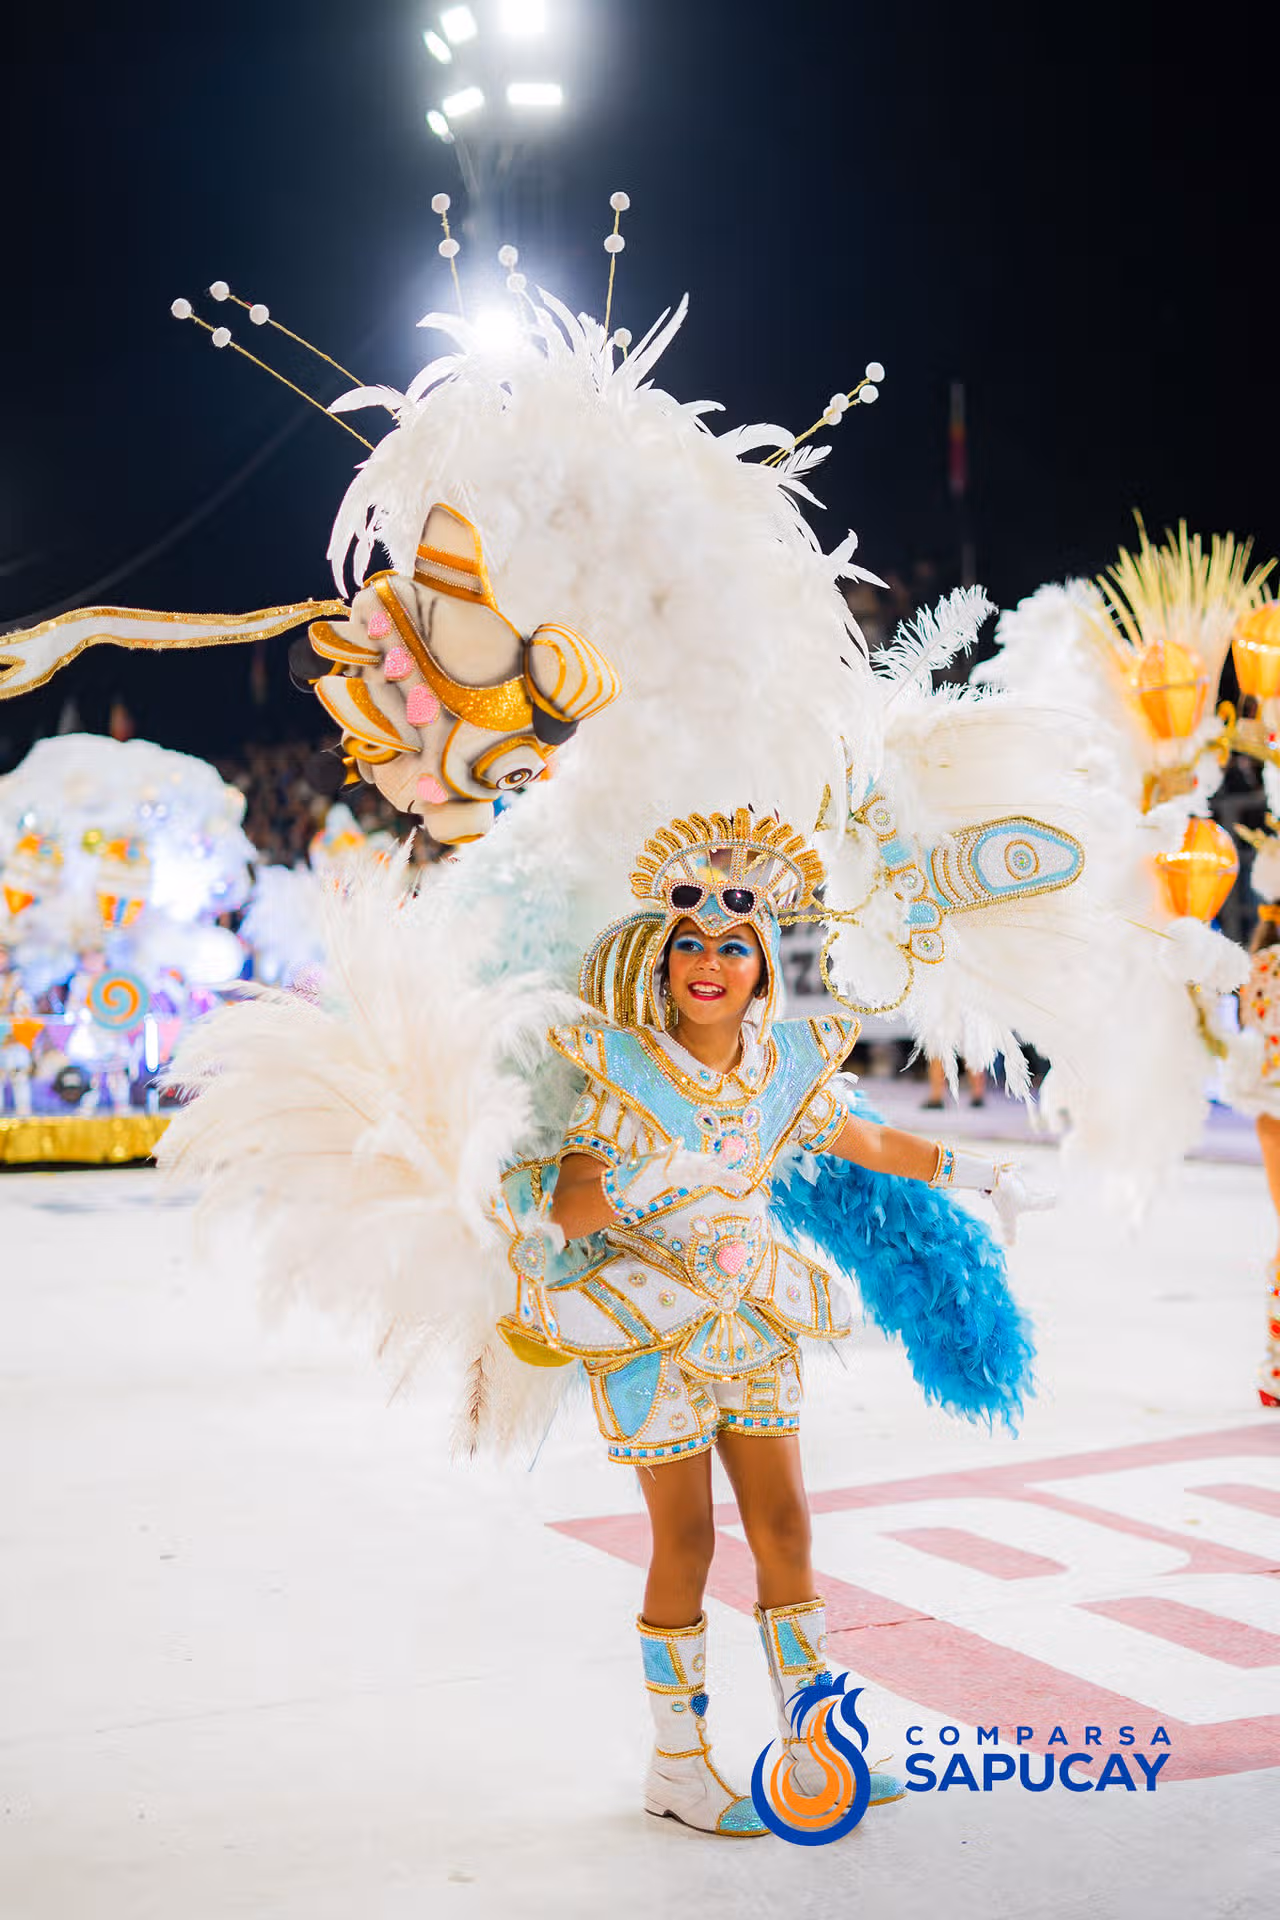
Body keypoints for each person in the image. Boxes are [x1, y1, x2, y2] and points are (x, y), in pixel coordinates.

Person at [493, 808, 1045, 1836]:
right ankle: (677, 1766)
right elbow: (563, 1213)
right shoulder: (620, 1070)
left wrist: (984, 1172)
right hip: (649, 1333)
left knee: (786, 1527)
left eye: (733, 947)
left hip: (752, 1325)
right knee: (689, 1541)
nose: (710, 963)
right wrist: (642, 1176)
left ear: (760, 967)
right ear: (660, 966)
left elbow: (868, 1136)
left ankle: (813, 1740)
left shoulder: (780, 1070)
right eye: (690, 945)